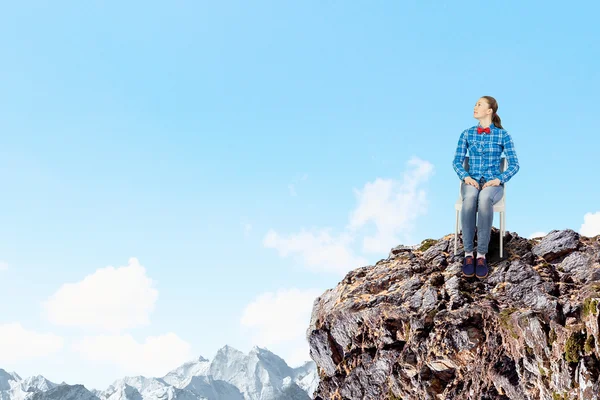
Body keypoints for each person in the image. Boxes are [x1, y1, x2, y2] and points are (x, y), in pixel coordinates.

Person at [452, 96, 520, 279]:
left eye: (479, 104)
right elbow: (457, 162)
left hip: (493, 183)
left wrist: (499, 179)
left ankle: (481, 255)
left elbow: (514, 164)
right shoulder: (466, 134)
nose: (475, 107)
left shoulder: (503, 135)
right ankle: (468, 254)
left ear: (489, 111)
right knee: (470, 200)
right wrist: (465, 176)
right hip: (471, 181)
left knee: (484, 200)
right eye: (475, 104)